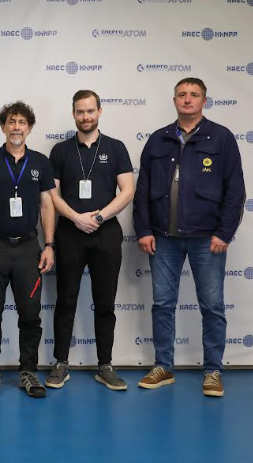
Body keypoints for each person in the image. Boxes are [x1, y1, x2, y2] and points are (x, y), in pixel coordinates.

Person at [133, 77, 245, 397]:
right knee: (162, 304)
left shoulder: (222, 138)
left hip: (206, 238)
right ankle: (163, 367)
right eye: (182, 94)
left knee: (212, 306)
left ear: (204, 101)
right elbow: (142, 191)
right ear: (174, 100)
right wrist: (143, 230)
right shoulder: (158, 139)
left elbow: (235, 190)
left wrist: (224, 233)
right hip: (163, 238)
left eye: (194, 95)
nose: (187, 99)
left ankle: (212, 370)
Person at [46, 90, 135, 391]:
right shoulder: (60, 150)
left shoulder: (116, 147)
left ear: (99, 111)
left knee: (105, 302)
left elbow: (127, 190)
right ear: (73, 114)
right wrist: (76, 217)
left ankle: (105, 365)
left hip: (106, 233)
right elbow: (51, 194)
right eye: (80, 112)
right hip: (70, 233)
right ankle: (61, 363)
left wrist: (98, 217)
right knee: (65, 300)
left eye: (90, 111)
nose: (85, 117)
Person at [0, 101, 55, 399]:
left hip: (29, 248)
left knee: (30, 315)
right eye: (11, 121)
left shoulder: (41, 162)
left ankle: (28, 371)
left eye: (21, 122)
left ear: (29, 128)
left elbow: (47, 205)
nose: (16, 127)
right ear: (3, 126)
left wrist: (49, 245)